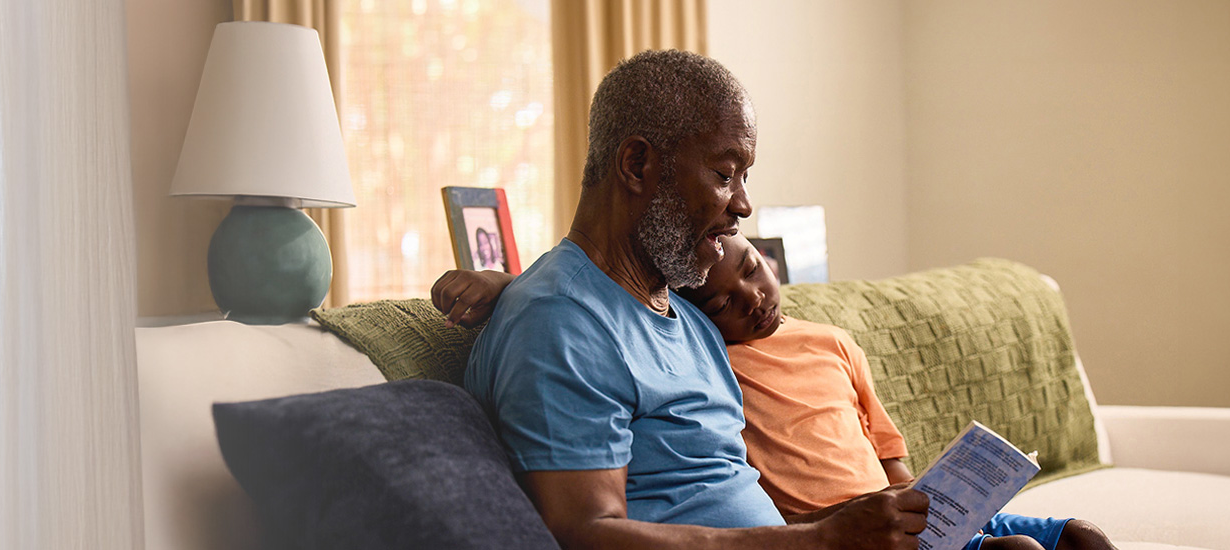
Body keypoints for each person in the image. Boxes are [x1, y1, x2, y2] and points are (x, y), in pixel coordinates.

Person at [443, 49, 929, 550]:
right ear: (637, 164)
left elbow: (720, 501)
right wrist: (823, 541)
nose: (742, 204)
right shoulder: (560, 323)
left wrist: (857, 519)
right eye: (724, 174)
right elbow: (585, 533)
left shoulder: (689, 318)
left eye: (745, 177)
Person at [434, 237, 1119, 550]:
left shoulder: (833, 342)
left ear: (769, 256)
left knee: (1084, 536)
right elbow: (608, 282)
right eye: (726, 301)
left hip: (907, 522)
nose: (751, 299)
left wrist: (926, 510)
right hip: (831, 529)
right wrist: (504, 284)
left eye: (754, 273)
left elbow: (887, 451)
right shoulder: (706, 351)